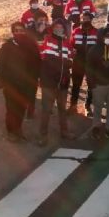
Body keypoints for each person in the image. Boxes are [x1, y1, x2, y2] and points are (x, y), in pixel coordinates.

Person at [0, 22, 41, 142]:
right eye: (16, 30)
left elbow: (38, 64)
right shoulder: (7, 46)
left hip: (26, 85)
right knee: (11, 109)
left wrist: (37, 79)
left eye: (21, 30)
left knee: (21, 108)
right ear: (13, 32)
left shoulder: (31, 45)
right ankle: (11, 131)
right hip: (10, 84)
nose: (19, 32)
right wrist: (1, 81)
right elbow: (0, 65)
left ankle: (18, 129)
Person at [37, 18, 75, 146]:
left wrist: (68, 65)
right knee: (46, 110)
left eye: (61, 27)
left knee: (62, 109)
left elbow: (69, 60)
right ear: (53, 28)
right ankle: (43, 136)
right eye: (56, 27)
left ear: (65, 29)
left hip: (63, 83)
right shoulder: (47, 40)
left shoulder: (67, 43)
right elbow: (44, 59)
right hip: (49, 83)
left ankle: (64, 132)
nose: (59, 29)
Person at [86, 25, 109, 139]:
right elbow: (88, 68)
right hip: (99, 85)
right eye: (107, 35)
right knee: (98, 107)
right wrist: (92, 84)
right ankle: (96, 127)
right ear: (101, 36)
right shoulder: (94, 50)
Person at [69, 11, 98, 116]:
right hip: (78, 61)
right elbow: (71, 45)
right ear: (81, 20)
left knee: (91, 85)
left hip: (91, 62)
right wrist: (72, 53)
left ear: (91, 19)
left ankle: (87, 106)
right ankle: (73, 106)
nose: (85, 20)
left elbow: (99, 47)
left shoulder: (96, 32)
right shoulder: (75, 31)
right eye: (83, 19)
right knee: (76, 85)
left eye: (87, 18)